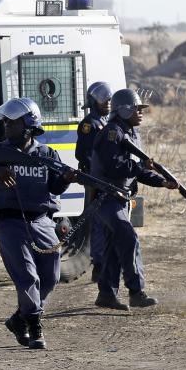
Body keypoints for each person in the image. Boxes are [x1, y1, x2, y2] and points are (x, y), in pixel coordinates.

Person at [0, 98, 75, 350]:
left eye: (11, 122)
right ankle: (35, 326)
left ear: (28, 124)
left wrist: (66, 179)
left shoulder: (47, 154)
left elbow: (54, 186)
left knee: (50, 278)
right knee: (27, 277)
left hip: (43, 222)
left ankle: (18, 319)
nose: (6, 126)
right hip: (9, 222)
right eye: (4, 122)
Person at [90, 88, 178, 310]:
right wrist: (140, 165)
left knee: (113, 247)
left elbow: (137, 171)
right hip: (107, 197)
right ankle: (136, 292)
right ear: (124, 110)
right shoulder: (112, 132)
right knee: (128, 239)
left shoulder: (131, 134)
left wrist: (162, 182)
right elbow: (115, 166)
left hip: (121, 198)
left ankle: (107, 294)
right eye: (137, 109)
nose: (141, 113)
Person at [75, 81, 114, 280]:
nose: (107, 102)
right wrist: (98, 176)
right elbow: (84, 154)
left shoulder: (108, 122)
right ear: (93, 101)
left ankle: (104, 262)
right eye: (103, 99)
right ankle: (97, 265)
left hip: (109, 180)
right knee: (96, 222)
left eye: (109, 99)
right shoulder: (89, 125)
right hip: (95, 181)